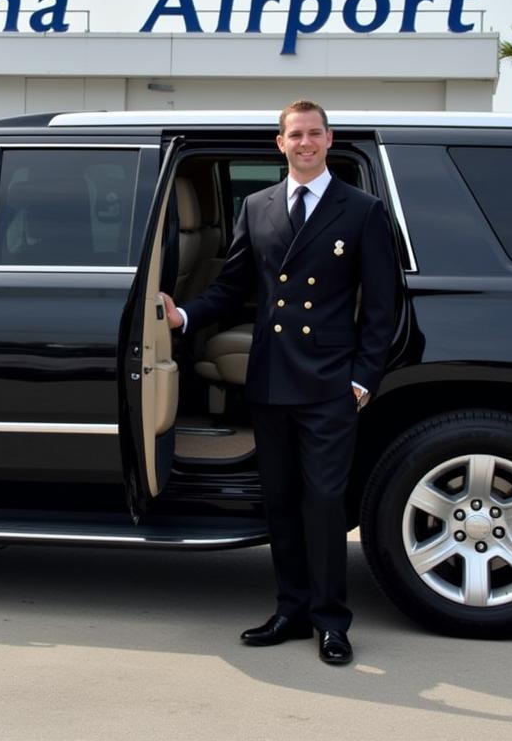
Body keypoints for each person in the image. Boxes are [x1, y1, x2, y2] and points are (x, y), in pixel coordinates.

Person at [161, 99, 397, 665]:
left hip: (329, 383)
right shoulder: (258, 206)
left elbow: (383, 308)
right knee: (282, 502)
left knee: (323, 503)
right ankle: (290, 610)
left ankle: (331, 620)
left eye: (315, 134)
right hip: (270, 379)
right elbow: (232, 286)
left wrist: (362, 380)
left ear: (329, 139)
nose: (306, 143)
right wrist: (184, 316)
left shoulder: (361, 209)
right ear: (281, 143)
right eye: (296, 134)